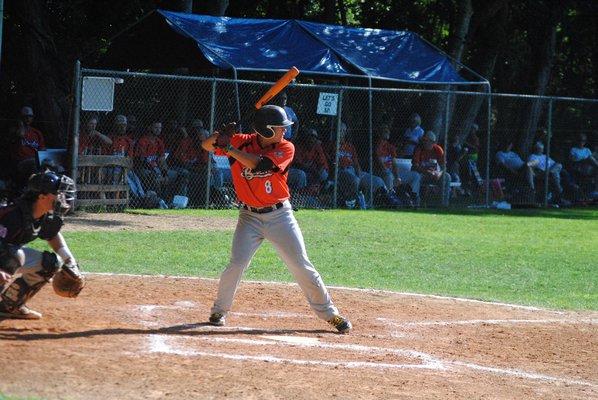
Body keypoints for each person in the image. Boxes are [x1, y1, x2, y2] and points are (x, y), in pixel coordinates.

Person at [201, 105, 352, 333]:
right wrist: (219, 137)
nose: (285, 132)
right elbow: (205, 145)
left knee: (301, 265)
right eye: (280, 128)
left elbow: (260, 164)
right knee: (237, 263)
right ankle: (219, 310)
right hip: (249, 216)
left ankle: (331, 314)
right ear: (266, 130)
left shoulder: (285, 147)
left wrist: (229, 147)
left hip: (280, 216)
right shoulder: (240, 140)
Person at [0, 171, 84, 319]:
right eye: (58, 194)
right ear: (42, 197)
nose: (63, 198)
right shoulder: (13, 215)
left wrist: (69, 261)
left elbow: (52, 236)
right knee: (12, 256)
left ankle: (9, 306)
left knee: (50, 263)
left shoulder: (44, 215)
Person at [135, 121, 189, 204]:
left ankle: (178, 202)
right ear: (149, 128)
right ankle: (160, 202)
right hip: (143, 169)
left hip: (157, 170)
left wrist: (165, 174)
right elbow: (142, 162)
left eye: (160, 128)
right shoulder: (143, 141)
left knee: (183, 173)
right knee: (156, 177)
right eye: (156, 127)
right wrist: (159, 174)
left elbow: (162, 161)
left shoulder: (159, 142)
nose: (158, 130)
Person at [412, 131, 451, 206]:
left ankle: (443, 204)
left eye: (426, 140)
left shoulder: (438, 149)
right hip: (421, 174)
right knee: (416, 176)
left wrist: (439, 174)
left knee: (447, 177)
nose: (424, 142)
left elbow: (443, 166)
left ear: (432, 142)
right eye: (423, 140)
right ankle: (416, 202)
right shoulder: (419, 149)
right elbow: (415, 166)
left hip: (434, 175)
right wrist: (427, 172)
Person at [527, 141, 570, 206]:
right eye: (539, 148)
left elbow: (554, 163)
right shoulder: (533, 156)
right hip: (542, 173)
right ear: (535, 149)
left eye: (541, 149)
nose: (541, 150)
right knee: (555, 174)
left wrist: (550, 169)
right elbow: (529, 165)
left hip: (550, 172)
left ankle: (550, 174)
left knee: (558, 165)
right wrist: (538, 163)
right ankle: (560, 195)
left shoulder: (545, 156)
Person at [14, 106, 47, 189]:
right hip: (22, 161)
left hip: (36, 160)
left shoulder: (36, 133)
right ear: (21, 118)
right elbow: (20, 134)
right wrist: (20, 124)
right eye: (25, 116)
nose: (28, 118)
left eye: (30, 116)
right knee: (34, 164)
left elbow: (42, 150)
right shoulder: (16, 131)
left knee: (51, 165)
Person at [568, 132, 598, 198]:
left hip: (588, 168)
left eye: (583, 141)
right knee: (589, 158)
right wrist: (584, 160)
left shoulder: (587, 150)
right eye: (580, 140)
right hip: (578, 167)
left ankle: (596, 190)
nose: (581, 142)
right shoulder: (573, 149)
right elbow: (571, 161)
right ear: (577, 141)